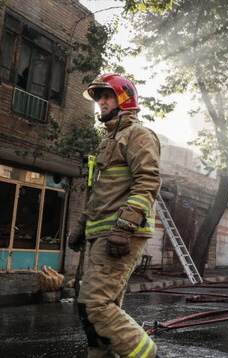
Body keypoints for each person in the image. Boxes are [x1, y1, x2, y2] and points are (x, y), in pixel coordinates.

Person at [68, 73, 162, 358]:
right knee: (92, 309)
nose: (101, 103)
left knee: (96, 306)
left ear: (124, 98)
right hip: (103, 234)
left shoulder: (138, 135)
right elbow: (101, 193)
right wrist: (83, 224)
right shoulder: (109, 140)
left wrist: (124, 226)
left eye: (107, 96)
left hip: (121, 234)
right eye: (98, 98)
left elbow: (147, 182)